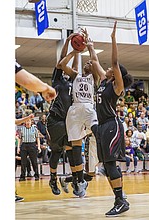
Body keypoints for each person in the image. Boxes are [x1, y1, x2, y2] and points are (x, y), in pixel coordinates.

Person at [86, 21, 133, 217]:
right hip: (103, 126)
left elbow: (114, 62)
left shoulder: (116, 87)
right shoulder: (105, 82)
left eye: (111, 69)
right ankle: (120, 199)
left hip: (112, 126)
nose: (107, 68)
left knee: (111, 165)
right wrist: (90, 46)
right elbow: (95, 60)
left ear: (116, 74)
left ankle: (120, 200)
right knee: (106, 165)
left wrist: (113, 39)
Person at [58, 30, 99, 198]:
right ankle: (79, 181)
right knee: (75, 146)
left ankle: (103, 163)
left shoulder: (94, 78)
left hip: (89, 109)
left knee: (98, 133)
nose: (88, 63)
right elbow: (61, 65)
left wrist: (89, 46)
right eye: (86, 63)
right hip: (74, 110)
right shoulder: (76, 76)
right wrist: (73, 49)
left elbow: (95, 60)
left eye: (90, 63)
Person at [46, 33, 85, 197]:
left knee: (70, 150)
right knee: (56, 152)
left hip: (68, 121)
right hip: (55, 120)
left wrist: (78, 53)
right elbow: (62, 60)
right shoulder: (57, 79)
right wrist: (70, 45)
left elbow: (75, 67)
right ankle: (53, 178)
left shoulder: (73, 81)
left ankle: (75, 181)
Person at [15, 62, 56, 202]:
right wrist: (46, 88)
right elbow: (25, 79)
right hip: (25, 145)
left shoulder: (32, 126)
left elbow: (14, 121)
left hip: (32, 144)